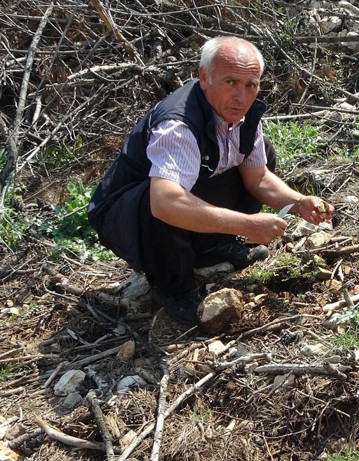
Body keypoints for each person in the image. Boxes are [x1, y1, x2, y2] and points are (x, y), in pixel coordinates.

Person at [87, 36, 333, 325]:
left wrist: (297, 202)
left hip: (171, 199)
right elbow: (166, 203)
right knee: (162, 197)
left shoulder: (242, 115)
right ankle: (173, 288)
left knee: (259, 152)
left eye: (250, 84)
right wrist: (246, 224)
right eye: (230, 82)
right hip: (124, 216)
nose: (241, 96)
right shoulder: (178, 125)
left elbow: (258, 178)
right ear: (204, 78)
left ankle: (210, 248)